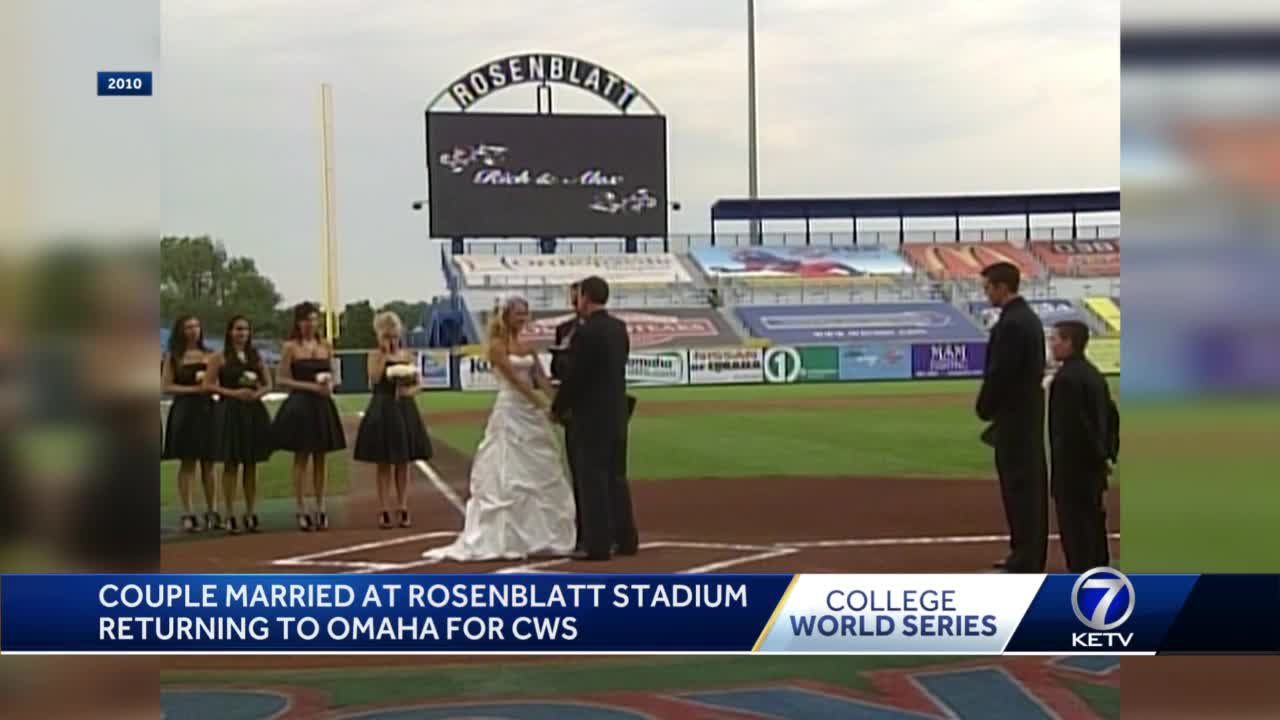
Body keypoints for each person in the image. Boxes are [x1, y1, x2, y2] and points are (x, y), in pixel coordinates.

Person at [423, 294, 576, 561]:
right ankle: (507, 535)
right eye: (519, 313)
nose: (524, 318)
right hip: (511, 411)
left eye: (526, 314)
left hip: (531, 412)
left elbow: (540, 378)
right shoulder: (496, 345)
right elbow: (515, 381)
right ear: (506, 315)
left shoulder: (527, 346)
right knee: (506, 471)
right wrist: (541, 405)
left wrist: (558, 405)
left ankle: (541, 534)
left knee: (540, 470)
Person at [550, 276, 637, 561]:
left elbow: (577, 377)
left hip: (590, 416)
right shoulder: (618, 328)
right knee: (616, 477)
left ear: (585, 297)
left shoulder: (587, 333)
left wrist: (558, 407)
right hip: (616, 411)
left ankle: (597, 543)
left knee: (592, 480)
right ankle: (625, 538)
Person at [975, 262, 1048, 573]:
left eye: (988, 287)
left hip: (1016, 419)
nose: (986, 293)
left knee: (1020, 489)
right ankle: (1025, 552)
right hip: (1025, 416)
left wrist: (985, 407)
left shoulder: (1013, 324)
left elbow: (1001, 373)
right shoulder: (1025, 319)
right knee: (1025, 488)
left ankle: (1025, 557)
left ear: (1002, 287)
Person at [354, 311, 433, 529]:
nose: (391, 341)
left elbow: (419, 383)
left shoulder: (407, 355)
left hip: (404, 408)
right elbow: (375, 378)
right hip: (383, 407)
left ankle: (403, 505)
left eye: (394, 336)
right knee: (383, 462)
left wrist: (410, 391)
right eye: (386, 336)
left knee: (403, 461)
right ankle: (384, 508)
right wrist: (385, 356)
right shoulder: (374, 356)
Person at [272, 302, 345, 531]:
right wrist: (309, 386)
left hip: (322, 405)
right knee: (301, 458)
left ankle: (321, 506)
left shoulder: (326, 346)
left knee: (321, 458)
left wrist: (329, 384)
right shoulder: (290, 347)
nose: (310, 324)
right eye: (305, 320)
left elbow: (335, 375)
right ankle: (301, 507)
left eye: (313, 319)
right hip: (301, 405)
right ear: (298, 322)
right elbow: (281, 379)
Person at [1048, 321, 1114, 572]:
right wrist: (1105, 453)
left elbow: (1071, 430)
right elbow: (1111, 417)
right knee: (1094, 526)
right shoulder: (1094, 374)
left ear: (1069, 343)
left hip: (1073, 471)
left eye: (1055, 339)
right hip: (1094, 468)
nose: (1052, 344)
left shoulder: (1065, 380)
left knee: (1076, 534)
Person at [206, 316, 274, 534]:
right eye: (237, 329)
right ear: (229, 332)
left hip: (253, 412)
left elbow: (268, 383)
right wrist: (234, 393)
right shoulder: (220, 357)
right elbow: (208, 384)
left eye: (245, 329)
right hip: (230, 411)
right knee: (231, 463)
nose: (242, 333)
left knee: (251, 464)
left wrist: (257, 394)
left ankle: (251, 511)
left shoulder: (256, 356)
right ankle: (229, 513)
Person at [161, 314, 220, 532]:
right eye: (188, 327)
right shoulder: (174, 356)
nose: (193, 330)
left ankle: (212, 510)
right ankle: (187, 512)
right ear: (180, 331)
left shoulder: (210, 354)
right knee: (188, 463)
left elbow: (218, 381)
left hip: (207, 409)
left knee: (209, 463)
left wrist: (211, 387)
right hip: (185, 410)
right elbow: (166, 386)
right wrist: (194, 389)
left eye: (196, 326)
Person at [550, 282, 585, 550]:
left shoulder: (600, 329)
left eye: (578, 297)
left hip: (589, 406)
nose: (575, 302)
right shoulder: (563, 329)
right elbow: (556, 369)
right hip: (574, 409)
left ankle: (593, 532)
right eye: (572, 298)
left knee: (596, 475)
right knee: (579, 470)